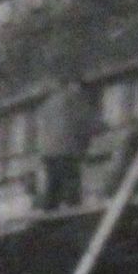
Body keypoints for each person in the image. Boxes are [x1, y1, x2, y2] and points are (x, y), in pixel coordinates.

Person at [32, 76, 97, 211]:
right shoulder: (74, 100)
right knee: (71, 185)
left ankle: (50, 213)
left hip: (48, 151)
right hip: (66, 150)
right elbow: (85, 123)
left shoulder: (49, 102)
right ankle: (72, 212)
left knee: (53, 185)